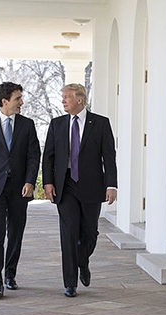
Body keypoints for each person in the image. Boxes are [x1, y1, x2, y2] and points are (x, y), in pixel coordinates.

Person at [42, 84, 117, 297]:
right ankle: (70, 283)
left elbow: (109, 157)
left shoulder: (101, 123)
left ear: (80, 100)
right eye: (63, 97)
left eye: (67, 97)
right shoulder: (57, 124)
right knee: (68, 233)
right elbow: (48, 156)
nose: (63, 101)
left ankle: (83, 261)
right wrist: (48, 182)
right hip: (65, 186)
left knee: (90, 233)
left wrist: (111, 185)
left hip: (92, 186)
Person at [0, 82, 41, 299]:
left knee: (16, 234)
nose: (21, 102)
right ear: (5, 101)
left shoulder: (27, 125)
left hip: (20, 189)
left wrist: (30, 182)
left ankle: (10, 275)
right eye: (17, 98)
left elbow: (34, 157)